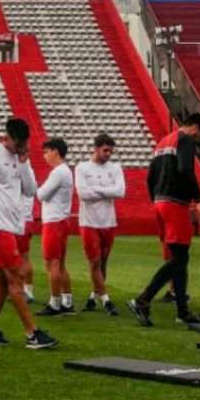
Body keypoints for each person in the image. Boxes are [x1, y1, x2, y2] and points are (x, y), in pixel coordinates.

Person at [0, 118, 58, 349]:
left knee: (1, 278)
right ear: (6, 138)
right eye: (16, 144)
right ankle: (32, 333)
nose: (19, 148)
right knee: (16, 277)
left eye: (22, 145)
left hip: (13, 226)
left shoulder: (20, 159)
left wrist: (23, 162)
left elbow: (30, 190)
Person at [127, 114, 200, 326]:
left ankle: (182, 310)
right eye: (199, 135)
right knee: (179, 258)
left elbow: (150, 176)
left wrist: (155, 199)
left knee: (179, 257)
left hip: (160, 202)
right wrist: (198, 200)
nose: (197, 139)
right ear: (194, 128)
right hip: (175, 204)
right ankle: (143, 300)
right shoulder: (185, 140)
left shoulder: (163, 142)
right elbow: (185, 169)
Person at [75, 133, 125, 315]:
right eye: (105, 150)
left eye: (110, 151)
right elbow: (83, 194)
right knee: (94, 261)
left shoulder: (116, 168)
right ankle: (106, 300)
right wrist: (107, 191)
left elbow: (120, 192)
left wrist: (96, 189)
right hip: (89, 222)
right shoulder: (82, 168)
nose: (108, 154)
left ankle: (92, 297)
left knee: (103, 262)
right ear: (95, 149)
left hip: (109, 221)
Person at [34, 138, 75, 317]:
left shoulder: (58, 172)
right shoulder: (64, 171)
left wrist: (40, 189)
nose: (45, 156)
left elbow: (41, 194)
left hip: (54, 221)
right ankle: (66, 301)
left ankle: (55, 303)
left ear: (55, 152)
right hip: (61, 220)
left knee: (52, 263)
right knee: (60, 264)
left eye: (46, 152)